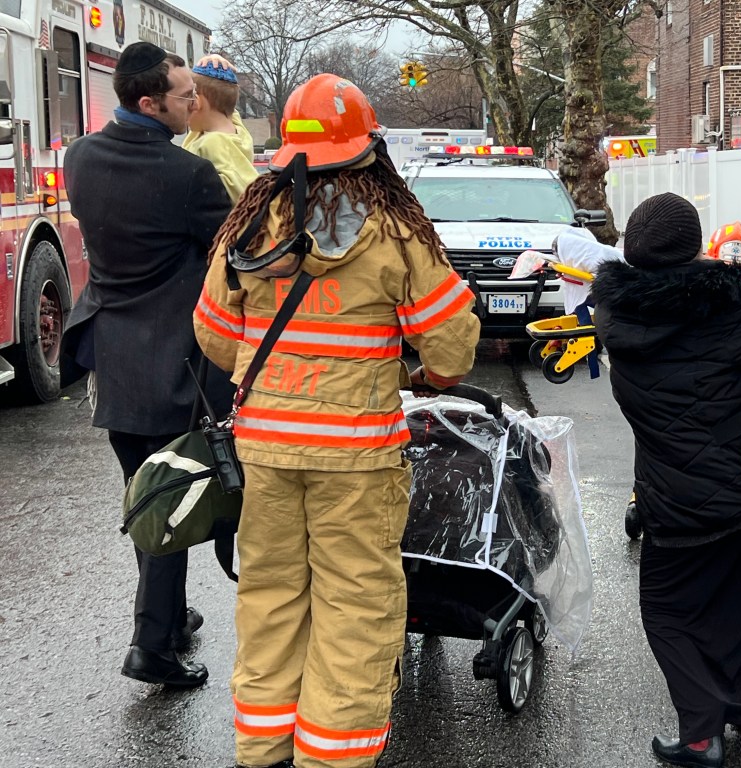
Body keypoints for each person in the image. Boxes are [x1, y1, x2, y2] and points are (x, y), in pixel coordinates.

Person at [194, 74, 481, 768]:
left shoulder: (251, 221)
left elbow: (212, 331)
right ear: (368, 144)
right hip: (355, 458)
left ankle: (263, 750)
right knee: (355, 608)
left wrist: (277, 378)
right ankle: (332, 757)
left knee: (269, 599)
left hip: (264, 448)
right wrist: (425, 377)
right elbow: (450, 346)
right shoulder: (395, 227)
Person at [591, 192, 741, 768]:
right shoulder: (735, 312)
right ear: (696, 245)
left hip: (674, 498)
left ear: (633, 249)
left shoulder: (616, 317)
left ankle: (703, 735)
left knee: (670, 613)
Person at [63, 42, 234, 687]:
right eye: (187, 95)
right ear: (148, 101)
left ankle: (164, 616)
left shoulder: (79, 158)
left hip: (113, 360)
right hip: (175, 369)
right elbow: (231, 255)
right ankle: (152, 647)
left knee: (145, 494)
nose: (197, 102)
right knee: (171, 502)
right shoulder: (187, 176)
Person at [183, 60, 259, 202]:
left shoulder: (209, 144)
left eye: (187, 100)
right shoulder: (239, 131)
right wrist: (212, 63)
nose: (184, 109)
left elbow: (237, 189)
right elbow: (222, 104)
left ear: (196, 102)